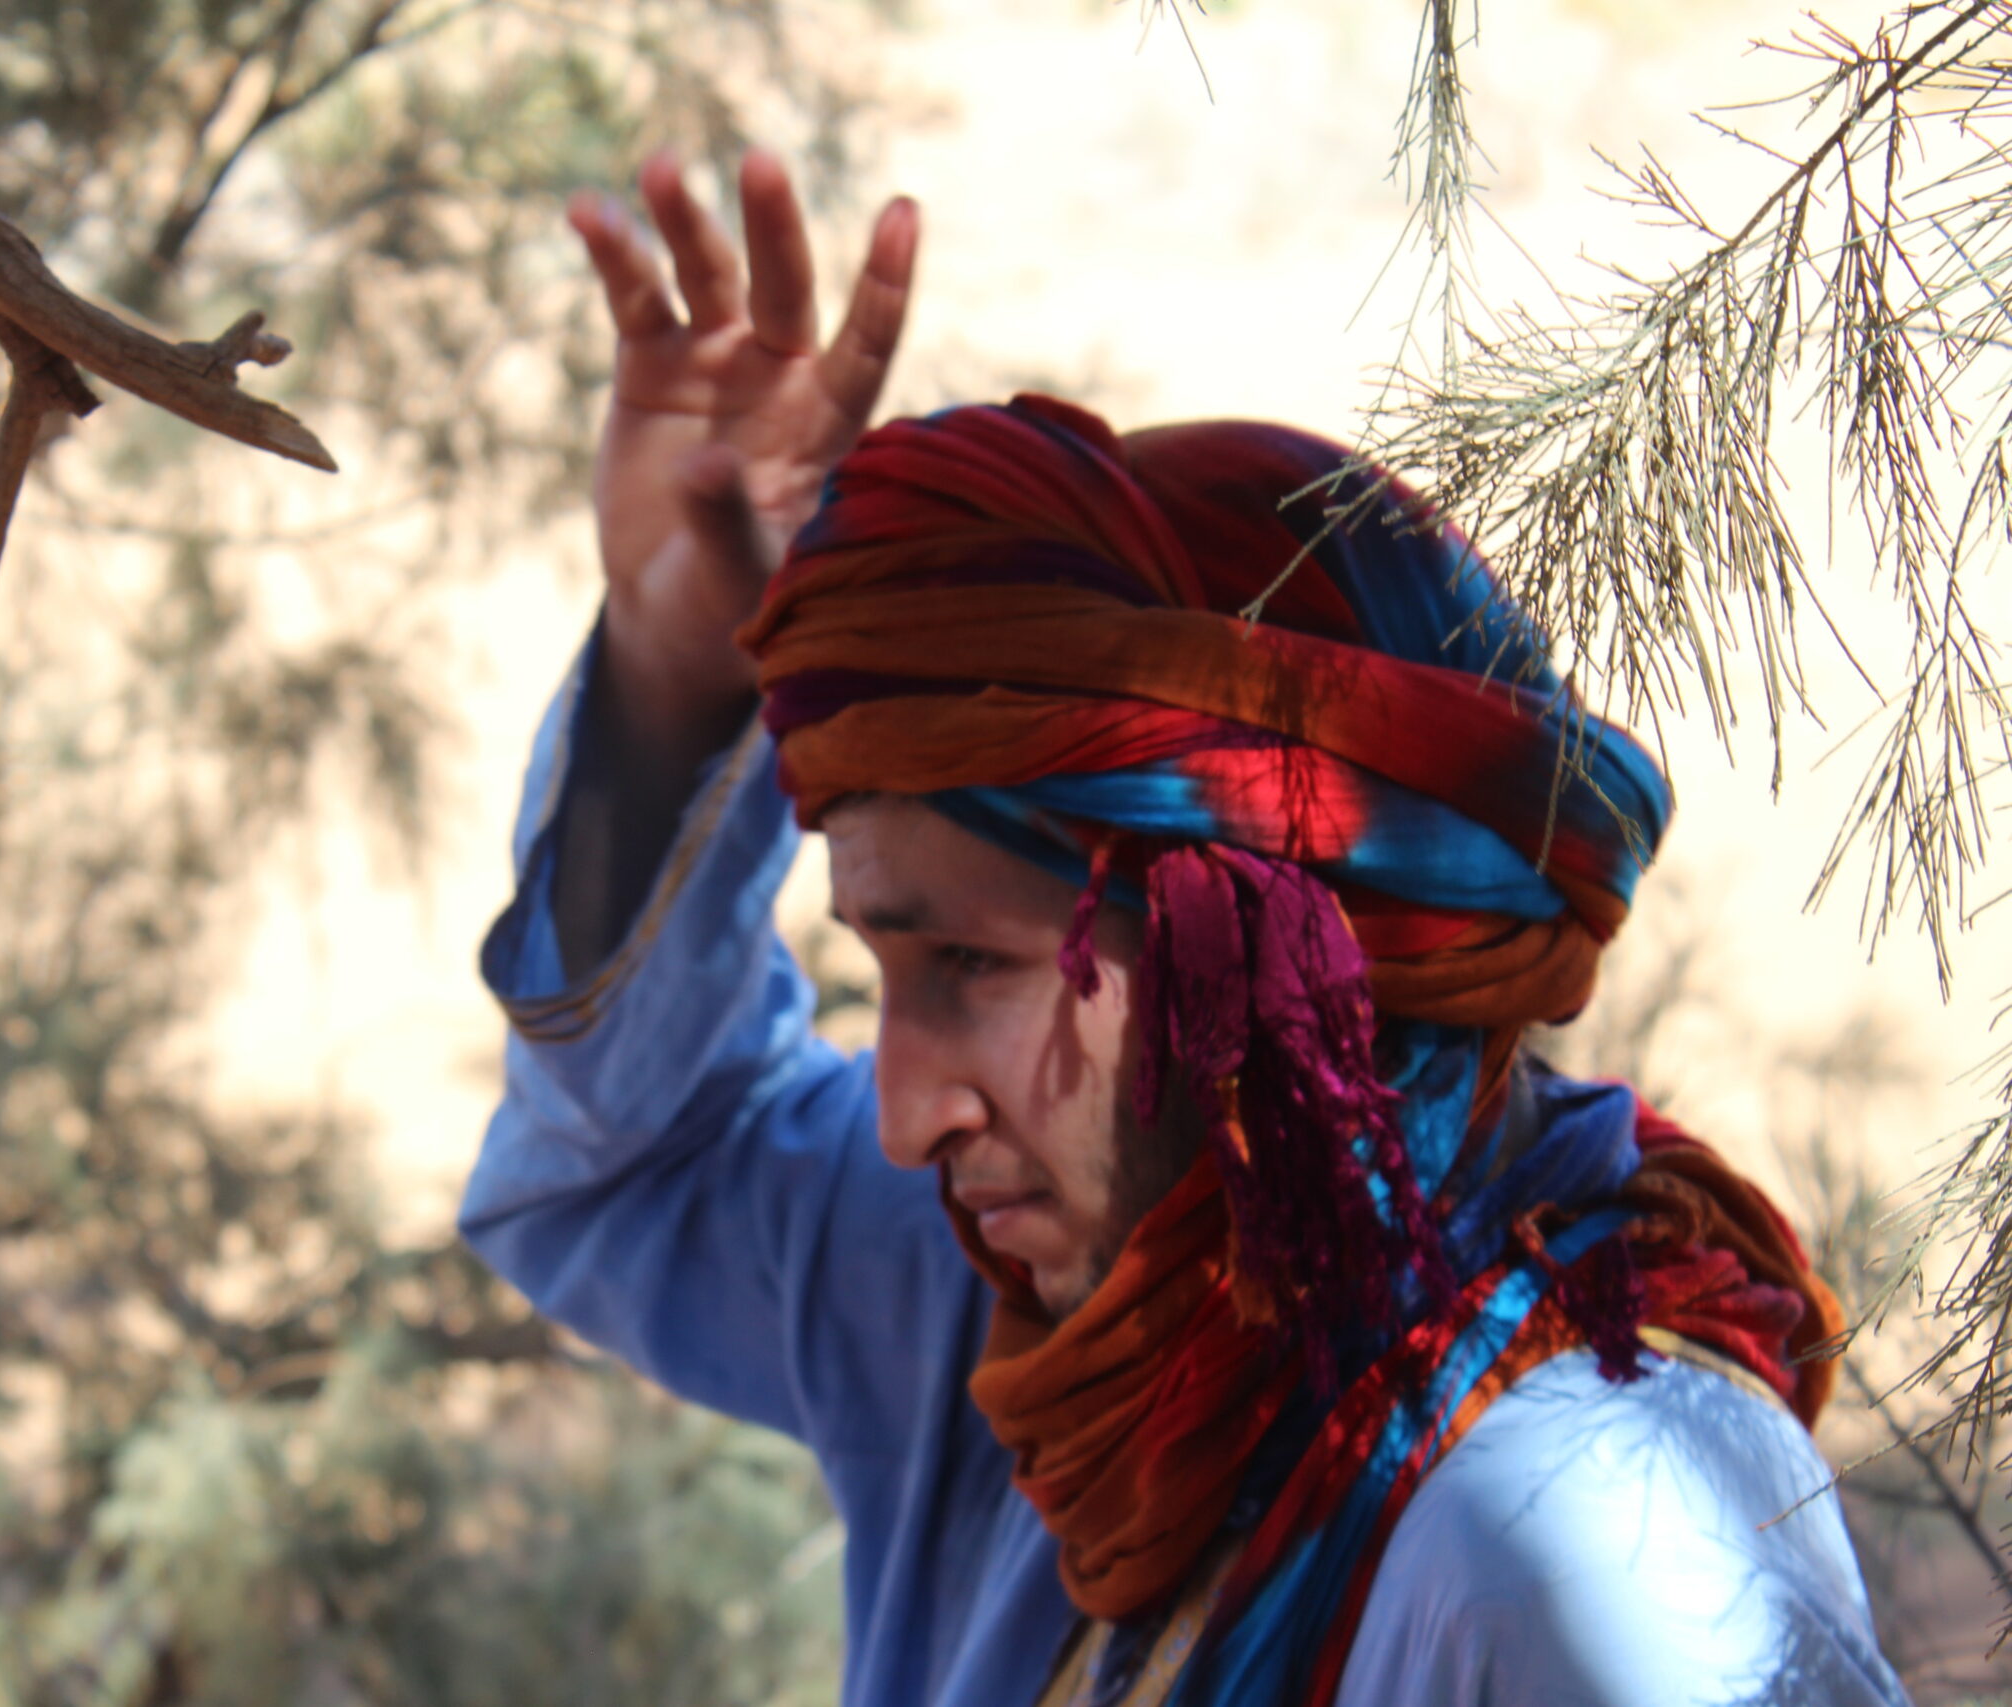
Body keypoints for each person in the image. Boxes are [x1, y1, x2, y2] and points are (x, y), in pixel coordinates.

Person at [462, 148, 1909, 1706]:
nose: (902, 1111)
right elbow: (643, 1159)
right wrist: (681, 677)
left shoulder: (1599, 1550)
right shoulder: (1043, 1314)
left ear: (1281, 971)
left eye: (974, 965)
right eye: (890, 971)